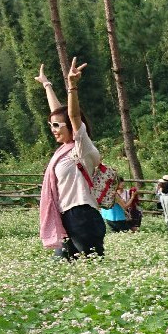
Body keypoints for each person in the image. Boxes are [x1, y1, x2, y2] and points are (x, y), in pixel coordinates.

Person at [35, 58, 107, 259]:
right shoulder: (64, 150)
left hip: (82, 215)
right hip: (66, 216)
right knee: (63, 269)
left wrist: (72, 87)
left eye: (57, 126)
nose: (53, 130)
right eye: (51, 126)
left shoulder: (81, 147)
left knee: (92, 267)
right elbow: (58, 114)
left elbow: (73, 117)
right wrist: (47, 85)